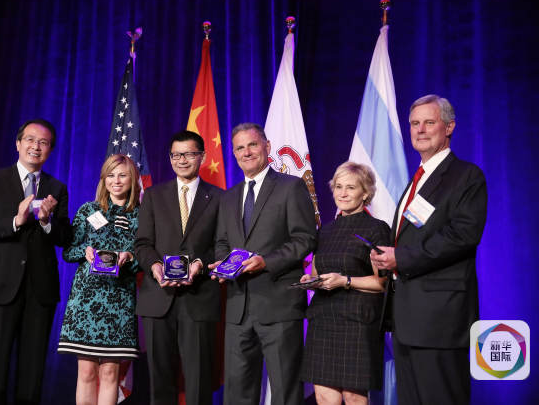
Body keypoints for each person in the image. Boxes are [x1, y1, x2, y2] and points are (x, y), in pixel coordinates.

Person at [371, 94, 487, 405]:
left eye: (429, 122)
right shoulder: (416, 180)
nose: (420, 130)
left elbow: (462, 235)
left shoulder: (466, 176)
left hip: (440, 319)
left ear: (449, 127)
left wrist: (401, 257)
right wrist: (386, 255)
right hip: (407, 319)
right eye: (414, 123)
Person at [209, 123, 317, 405]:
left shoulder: (291, 187)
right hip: (237, 309)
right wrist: (222, 264)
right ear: (234, 154)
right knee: (237, 394)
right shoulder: (228, 197)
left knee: (285, 392)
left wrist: (265, 262)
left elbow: (305, 239)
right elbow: (222, 242)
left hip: (278, 306)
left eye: (252, 145)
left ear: (267, 147)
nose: (246, 152)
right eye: (240, 148)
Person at [0, 119, 70, 404]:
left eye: (43, 142)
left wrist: (47, 222)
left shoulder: (56, 188)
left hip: (40, 291)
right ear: (18, 143)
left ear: (50, 150)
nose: (36, 146)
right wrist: (16, 221)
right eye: (30, 140)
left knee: (32, 373)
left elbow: (66, 237)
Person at [135, 130, 223, 404]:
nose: (181, 160)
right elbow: (142, 244)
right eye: (175, 155)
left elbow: (223, 245)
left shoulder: (220, 197)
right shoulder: (153, 195)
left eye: (188, 154)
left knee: (198, 378)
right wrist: (155, 266)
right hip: (158, 297)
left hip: (199, 297)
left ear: (202, 157)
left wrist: (200, 264)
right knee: (160, 378)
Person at [300, 161, 390, 405]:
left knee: (353, 397)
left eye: (351, 187)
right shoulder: (325, 231)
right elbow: (318, 272)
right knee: (323, 396)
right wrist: (311, 281)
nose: (343, 193)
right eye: (338, 187)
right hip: (323, 319)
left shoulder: (377, 229)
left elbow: (382, 283)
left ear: (365, 193)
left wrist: (345, 281)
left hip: (357, 322)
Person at [57, 154, 141, 405]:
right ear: (103, 179)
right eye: (111, 175)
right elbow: (68, 252)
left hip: (119, 301)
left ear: (132, 179)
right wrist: (84, 251)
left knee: (110, 373)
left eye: (122, 175)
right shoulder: (88, 210)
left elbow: (146, 258)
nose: (116, 181)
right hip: (85, 302)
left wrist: (130, 257)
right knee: (86, 372)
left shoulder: (141, 215)